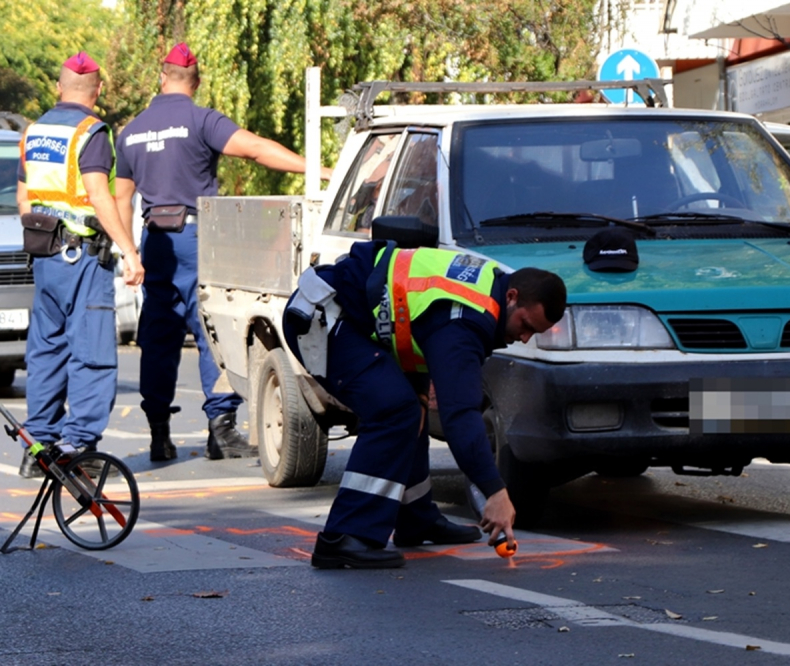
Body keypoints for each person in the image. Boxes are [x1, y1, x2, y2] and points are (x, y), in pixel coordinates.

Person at [282, 240, 567, 568]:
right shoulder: (466, 318)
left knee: (411, 407)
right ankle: (344, 536)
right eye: (526, 326)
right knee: (395, 410)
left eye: (536, 334)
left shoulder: (491, 284)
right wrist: (495, 492)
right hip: (324, 318)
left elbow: (415, 319)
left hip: (360, 319)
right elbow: (460, 415)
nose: (525, 338)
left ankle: (416, 519)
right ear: (512, 297)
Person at [114, 43, 330, 463]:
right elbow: (255, 149)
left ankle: (159, 431)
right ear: (195, 82)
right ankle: (220, 429)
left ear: (162, 78)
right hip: (199, 243)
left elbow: (120, 196)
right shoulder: (200, 120)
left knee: (158, 337)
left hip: (155, 241)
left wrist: (129, 252)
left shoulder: (132, 130)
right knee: (213, 333)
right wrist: (318, 170)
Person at [16, 52, 145, 478]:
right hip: (82, 259)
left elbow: (23, 199)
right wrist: (129, 249)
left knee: (46, 352)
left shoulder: (33, 132)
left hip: (46, 257)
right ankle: (77, 447)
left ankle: (40, 447)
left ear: (58, 86)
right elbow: (100, 195)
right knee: (91, 354)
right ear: (98, 91)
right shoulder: (91, 132)